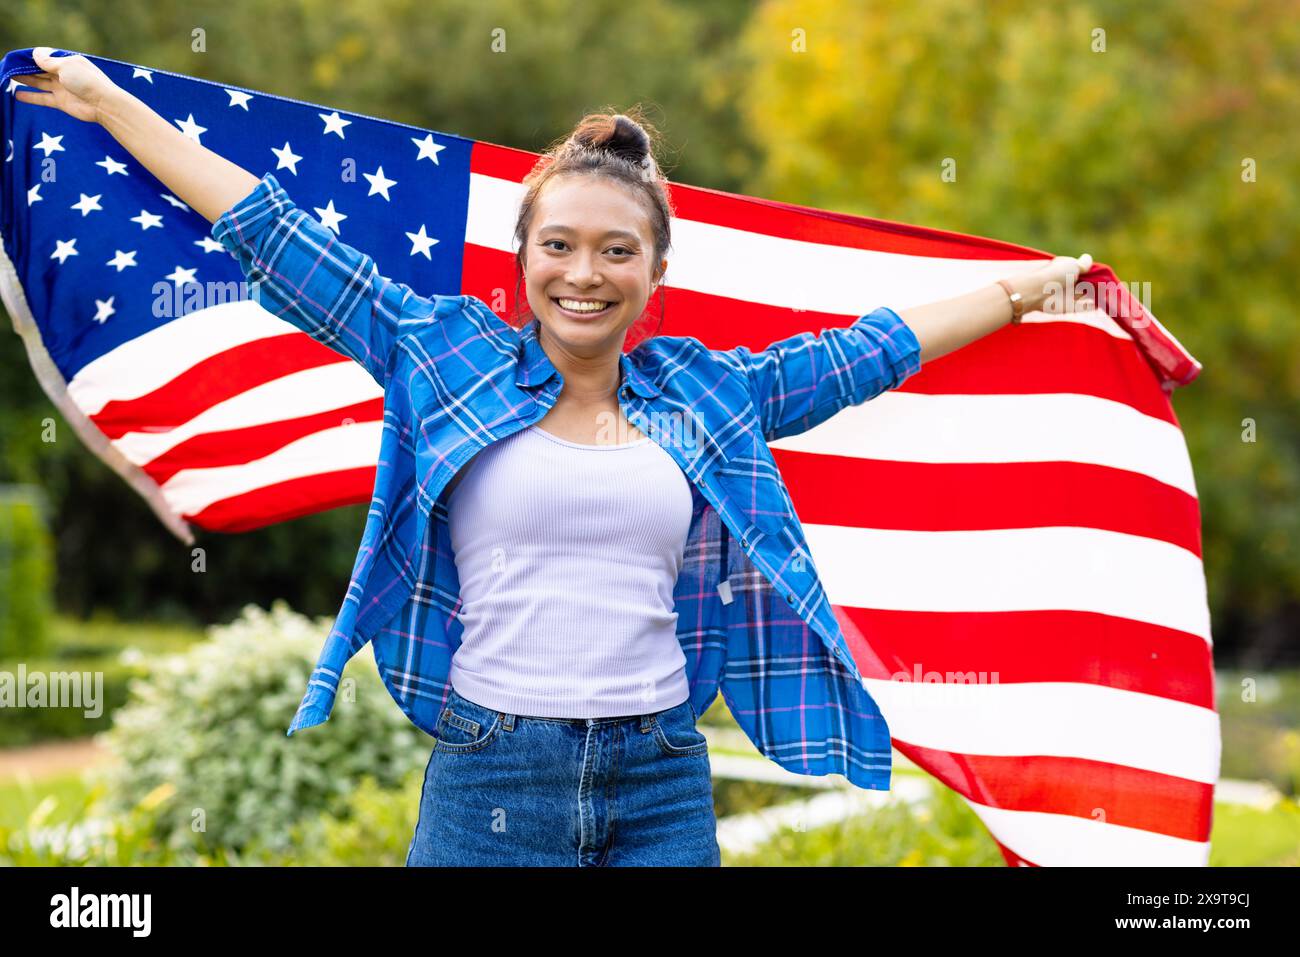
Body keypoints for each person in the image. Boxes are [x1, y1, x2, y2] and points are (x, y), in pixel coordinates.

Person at [15, 47, 1094, 867]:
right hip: (491, 772)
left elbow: (871, 350)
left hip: (662, 779)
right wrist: (110, 105)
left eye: (616, 251)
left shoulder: (711, 391)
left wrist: (1037, 287)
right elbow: (269, 226)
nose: (586, 274)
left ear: (654, 271)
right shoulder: (440, 353)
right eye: (560, 246)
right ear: (524, 258)